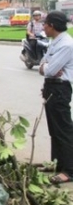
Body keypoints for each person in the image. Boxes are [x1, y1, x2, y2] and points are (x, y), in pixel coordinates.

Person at [38, 11, 73, 184]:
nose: (43, 26)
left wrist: (46, 67)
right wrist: (46, 67)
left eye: (45, 24)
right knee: (54, 130)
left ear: (52, 25)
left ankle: (69, 170)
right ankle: (57, 164)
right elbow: (42, 64)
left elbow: (49, 70)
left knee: (63, 130)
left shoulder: (66, 44)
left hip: (60, 89)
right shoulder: (55, 43)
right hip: (51, 87)